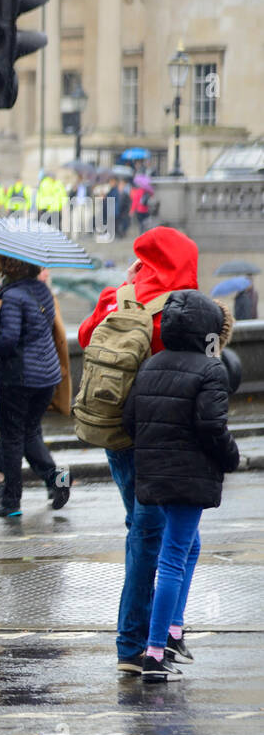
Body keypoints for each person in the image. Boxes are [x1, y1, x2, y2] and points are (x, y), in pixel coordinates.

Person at [77, 226, 200, 675]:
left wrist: (127, 285)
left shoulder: (115, 296)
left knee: (146, 531)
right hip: (157, 440)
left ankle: (160, 632)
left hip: (113, 431)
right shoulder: (179, 311)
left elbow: (88, 338)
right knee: (152, 540)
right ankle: (135, 644)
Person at [122, 291, 237, 681]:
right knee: (173, 556)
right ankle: (156, 653)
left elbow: (130, 419)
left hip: (155, 473)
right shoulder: (211, 369)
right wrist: (231, 457)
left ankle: (173, 630)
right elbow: (211, 426)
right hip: (188, 475)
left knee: (189, 546)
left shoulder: (152, 364)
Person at [0, 256, 69, 517]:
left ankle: (11, 502)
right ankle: (57, 479)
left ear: (7, 265)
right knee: (29, 432)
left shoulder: (12, 296)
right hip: (46, 376)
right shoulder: (42, 290)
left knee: (11, 438)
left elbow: (8, 339)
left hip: (19, 377)